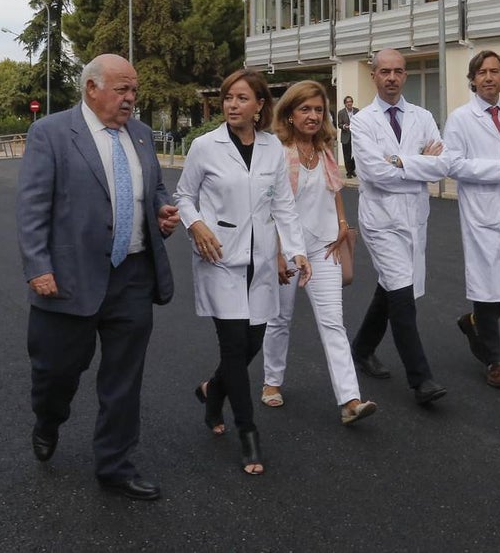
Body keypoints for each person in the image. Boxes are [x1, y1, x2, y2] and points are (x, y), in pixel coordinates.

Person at [16, 53, 179, 502]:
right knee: (55, 373)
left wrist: (162, 211)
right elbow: (32, 207)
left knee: (123, 380)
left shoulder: (142, 136)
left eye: (134, 91)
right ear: (91, 88)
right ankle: (48, 419)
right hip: (67, 278)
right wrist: (38, 266)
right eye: (122, 89)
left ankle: (115, 465)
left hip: (132, 276)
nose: (130, 99)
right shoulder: (50, 133)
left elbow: (156, 190)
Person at [175, 69, 311, 476]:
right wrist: (195, 224)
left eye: (241, 98)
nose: (232, 105)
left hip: (263, 261)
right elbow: (184, 195)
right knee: (234, 346)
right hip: (220, 258)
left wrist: (297, 252)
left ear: (259, 106)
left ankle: (212, 391)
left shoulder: (272, 148)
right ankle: (248, 431)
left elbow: (283, 206)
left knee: (251, 342)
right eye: (227, 98)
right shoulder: (205, 146)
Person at [260, 81, 378, 425]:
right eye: (305, 109)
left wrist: (342, 223)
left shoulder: (325, 148)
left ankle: (350, 400)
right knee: (279, 319)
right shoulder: (277, 151)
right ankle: (272, 381)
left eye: (318, 110)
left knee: (333, 323)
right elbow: (269, 205)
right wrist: (279, 253)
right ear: (290, 114)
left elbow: (334, 189)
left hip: (325, 246)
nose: (313, 116)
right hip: (288, 248)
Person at [348, 48, 449, 405]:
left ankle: (360, 349)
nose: (392, 77)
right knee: (403, 296)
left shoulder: (422, 116)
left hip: (414, 217)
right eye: (385, 71)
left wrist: (400, 162)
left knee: (390, 288)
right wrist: (420, 162)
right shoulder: (361, 122)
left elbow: (442, 167)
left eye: (399, 71)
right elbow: (375, 174)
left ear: (405, 76)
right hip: (380, 221)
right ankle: (421, 380)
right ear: (373, 75)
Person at [443, 51, 500, 390]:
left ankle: (474, 323)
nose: (488, 78)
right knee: (487, 286)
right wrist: (497, 167)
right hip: (483, 212)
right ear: (473, 78)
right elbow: (452, 165)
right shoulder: (460, 119)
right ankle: (493, 361)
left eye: (494, 72)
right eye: (481, 72)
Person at [337, 95, 359, 178]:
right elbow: (339, 124)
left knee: (356, 154)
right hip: (346, 136)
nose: (349, 103)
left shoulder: (357, 111)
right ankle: (349, 172)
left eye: (350, 101)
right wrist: (344, 126)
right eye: (347, 102)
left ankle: (352, 169)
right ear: (345, 104)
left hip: (356, 136)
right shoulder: (341, 112)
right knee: (347, 155)